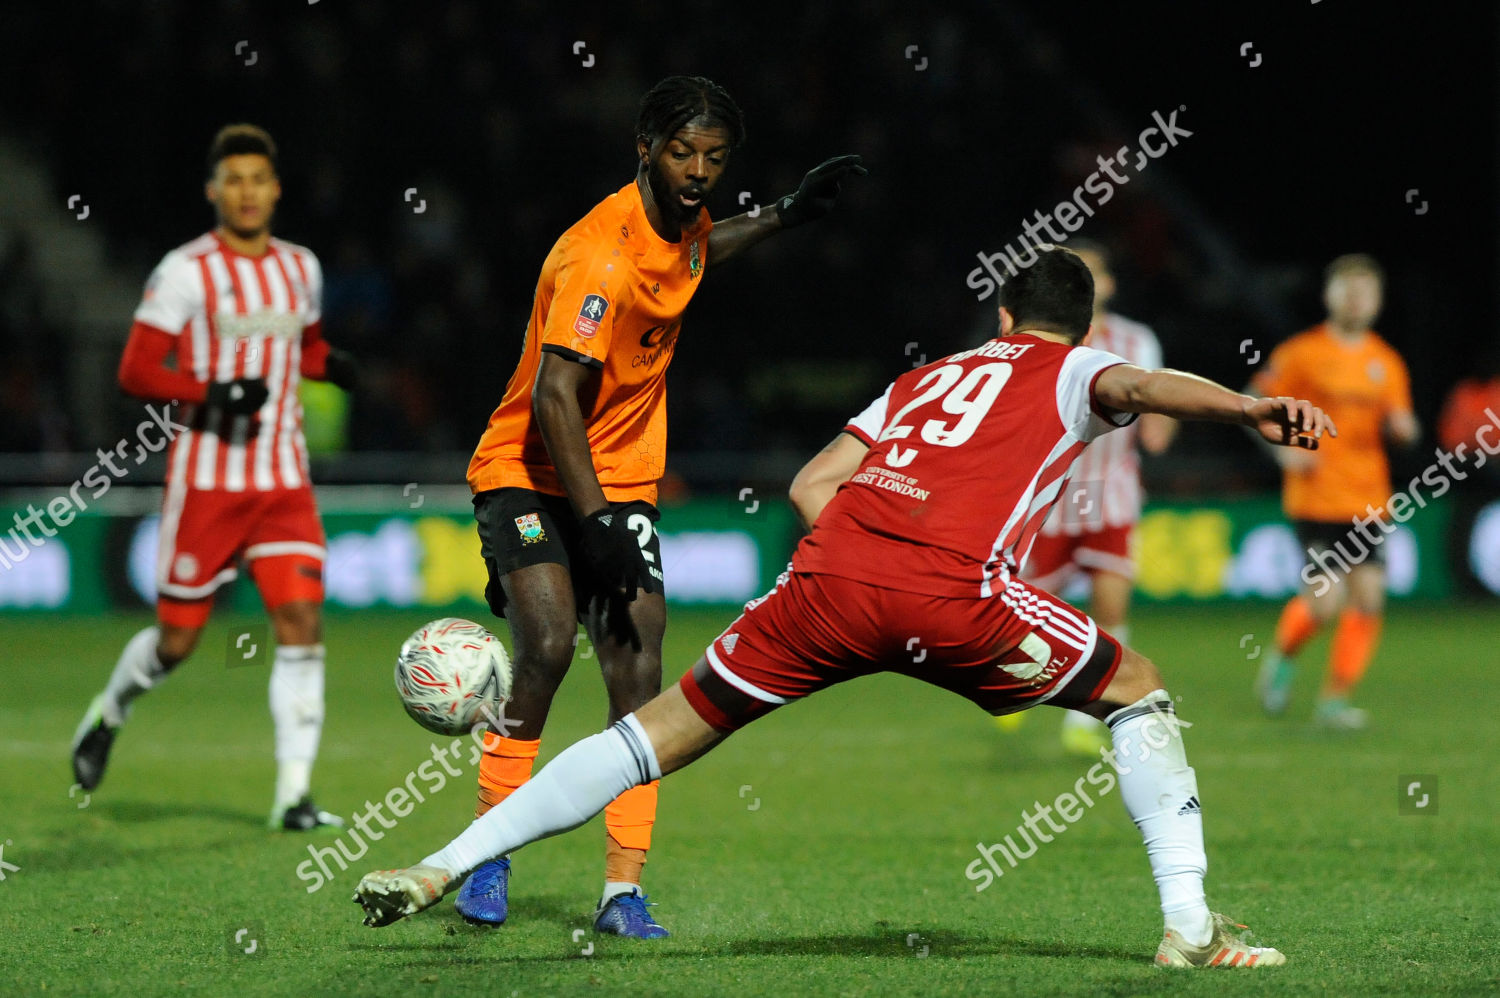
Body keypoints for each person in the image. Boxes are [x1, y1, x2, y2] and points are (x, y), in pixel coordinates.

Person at [354, 245, 1331, 969]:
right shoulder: (1073, 367)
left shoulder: (928, 375)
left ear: (999, 311)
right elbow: (1140, 383)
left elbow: (813, 485)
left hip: (827, 580)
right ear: (1073, 327)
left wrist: (869, 568)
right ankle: (1189, 925)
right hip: (956, 594)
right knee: (1140, 688)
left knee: (651, 733)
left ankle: (442, 862)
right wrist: (1247, 408)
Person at [459, 75, 866, 938]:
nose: (699, 172)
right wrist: (599, 522)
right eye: (683, 153)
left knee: (637, 668)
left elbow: (697, 254)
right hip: (527, 469)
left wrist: (785, 216)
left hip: (623, 476)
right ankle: (486, 860)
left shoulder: (681, 227)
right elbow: (555, 399)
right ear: (644, 147)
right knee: (543, 645)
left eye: (715, 159)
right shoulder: (595, 257)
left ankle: (621, 891)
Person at [70, 124, 356, 829]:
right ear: (213, 191)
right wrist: (213, 393)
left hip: (284, 483)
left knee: (300, 620)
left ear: (276, 188)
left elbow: (306, 347)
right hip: (207, 484)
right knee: (177, 643)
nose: (248, 191)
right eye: (234, 179)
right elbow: (136, 368)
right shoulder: (186, 270)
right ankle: (109, 711)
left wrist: (333, 366)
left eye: (259, 178)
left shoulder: (302, 267)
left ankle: (294, 795)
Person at [1005, 240, 1176, 756]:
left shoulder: (1136, 339)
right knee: (1029, 611)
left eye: (1096, 273)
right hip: (1051, 496)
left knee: (1111, 600)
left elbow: (1158, 391)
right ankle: (1015, 688)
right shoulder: (1042, 343)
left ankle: (1083, 723)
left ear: (1110, 283)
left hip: (1113, 493)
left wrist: (1161, 426)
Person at [1251, 254, 1418, 728]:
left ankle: (1334, 701)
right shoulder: (1301, 352)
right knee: (1326, 602)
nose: (1357, 300)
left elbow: (1401, 422)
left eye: (1365, 292)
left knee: (1368, 599)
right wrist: (1285, 451)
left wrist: (1404, 428)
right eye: (1348, 290)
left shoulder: (1385, 362)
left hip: (1368, 498)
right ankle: (1281, 659)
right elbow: (1258, 405)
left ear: (1378, 301)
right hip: (1317, 496)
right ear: (1330, 296)